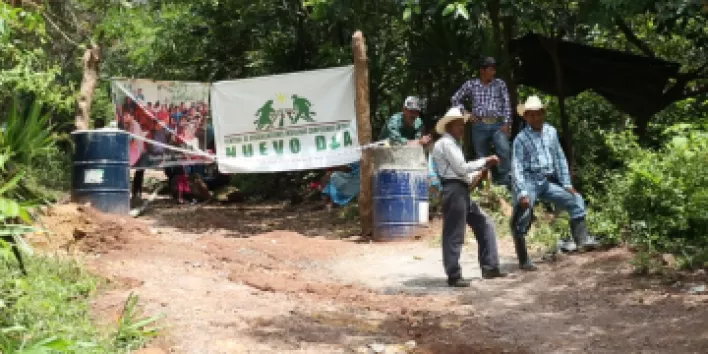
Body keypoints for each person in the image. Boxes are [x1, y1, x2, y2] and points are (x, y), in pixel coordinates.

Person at [511, 96, 599, 271]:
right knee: (524, 213)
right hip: (529, 180)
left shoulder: (551, 132)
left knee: (575, 199)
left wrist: (566, 183)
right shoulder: (520, 139)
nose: (536, 118)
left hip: (547, 180)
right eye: (531, 115)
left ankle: (582, 240)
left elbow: (559, 158)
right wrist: (522, 192)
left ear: (543, 114)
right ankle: (523, 259)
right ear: (526, 117)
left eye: (538, 114)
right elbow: (517, 166)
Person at [431, 107, 507, 287]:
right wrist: (485, 161)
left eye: (462, 125)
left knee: (484, 222)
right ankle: (454, 274)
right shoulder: (447, 144)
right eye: (458, 125)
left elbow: (462, 172)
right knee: (455, 232)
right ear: (449, 126)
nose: (461, 129)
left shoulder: (452, 144)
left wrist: (480, 170)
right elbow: (461, 168)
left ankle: (490, 266)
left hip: (460, 189)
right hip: (454, 190)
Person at [451, 57, 512, 187]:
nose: (494, 72)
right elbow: (455, 99)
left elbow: (507, 104)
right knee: (481, 157)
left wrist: (507, 123)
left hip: (498, 124)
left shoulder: (500, 84)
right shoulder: (471, 84)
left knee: (504, 150)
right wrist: (466, 113)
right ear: (482, 70)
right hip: (479, 124)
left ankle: (504, 183)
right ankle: (485, 186)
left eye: (495, 69)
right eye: (491, 69)